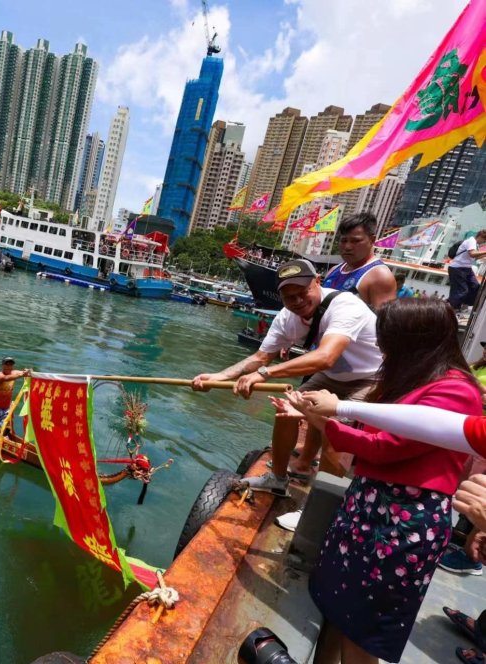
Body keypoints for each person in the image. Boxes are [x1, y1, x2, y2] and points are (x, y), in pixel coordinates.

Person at [269, 297, 481, 664]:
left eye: (387, 339)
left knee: (363, 628)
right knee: (338, 606)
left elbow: (385, 447)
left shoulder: (456, 390)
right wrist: (314, 415)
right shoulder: (412, 378)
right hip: (368, 506)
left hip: (403, 523)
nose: (381, 348)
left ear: (413, 340)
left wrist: (327, 418)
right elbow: (370, 434)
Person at [192, 259, 382, 496]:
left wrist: (264, 374)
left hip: (370, 378)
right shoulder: (286, 317)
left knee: (337, 431)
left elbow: (325, 357)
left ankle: (317, 504)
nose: (298, 302)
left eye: (303, 293)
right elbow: (261, 357)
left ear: (318, 282)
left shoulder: (345, 306)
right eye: (289, 297)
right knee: (286, 409)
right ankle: (277, 479)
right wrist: (219, 376)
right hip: (332, 377)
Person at [322, 213, 396, 309]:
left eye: (355, 241)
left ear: (372, 240)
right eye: (344, 241)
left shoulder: (380, 276)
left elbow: (383, 322)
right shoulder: (334, 270)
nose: (347, 247)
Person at [448, 229, 486, 311]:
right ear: (480, 237)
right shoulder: (471, 241)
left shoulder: (476, 244)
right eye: (484, 240)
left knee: (475, 286)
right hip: (457, 268)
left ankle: (465, 304)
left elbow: (475, 257)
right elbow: (472, 254)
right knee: (461, 290)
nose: (484, 242)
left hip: (466, 268)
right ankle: (452, 309)